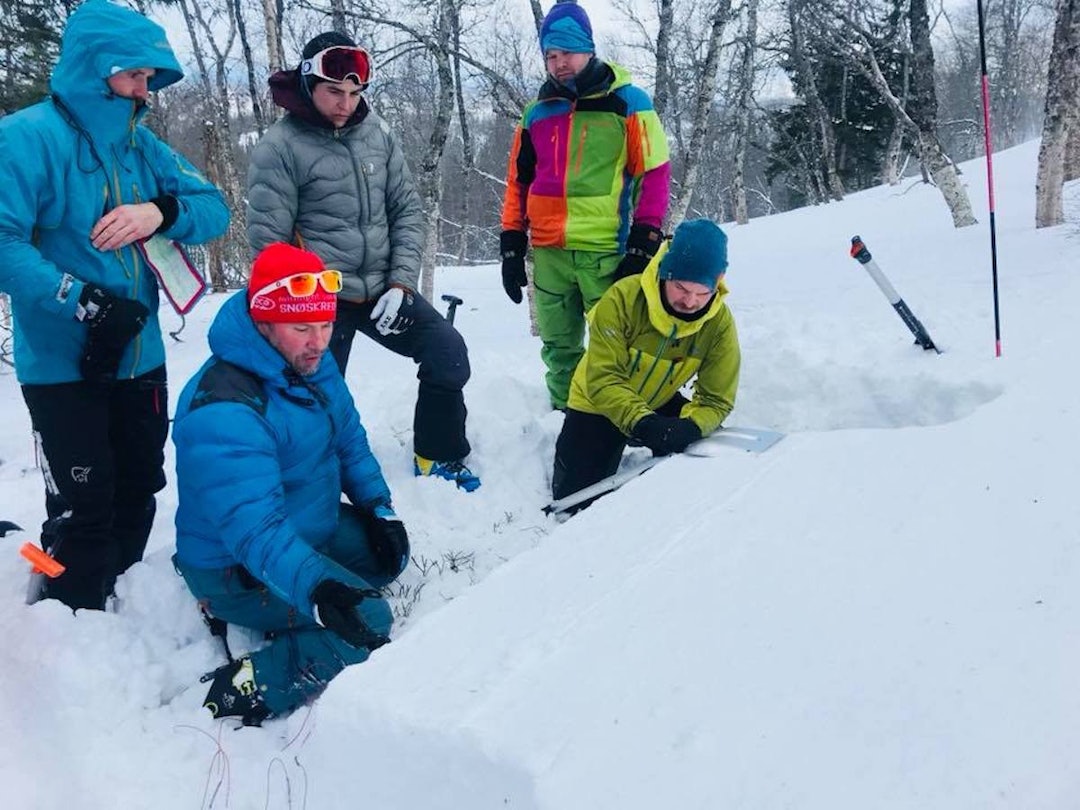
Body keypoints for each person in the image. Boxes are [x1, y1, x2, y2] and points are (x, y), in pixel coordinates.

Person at [0, 0, 230, 611]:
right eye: (133, 75)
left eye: (149, 79)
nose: (142, 90)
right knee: (83, 501)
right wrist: (82, 303)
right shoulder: (25, 139)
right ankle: (55, 595)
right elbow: (3, 240)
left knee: (138, 485)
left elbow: (214, 210)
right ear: (93, 66)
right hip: (59, 363)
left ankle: (120, 600)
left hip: (140, 354)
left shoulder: (142, 145)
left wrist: (161, 212)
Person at [172, 243, 410, 726]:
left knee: (389, 560)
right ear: (264, 325)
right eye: (302, 328)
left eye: (324, 326)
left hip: (306, 525)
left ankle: (298, 605)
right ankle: (255, 680)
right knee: (367, 624)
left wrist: (380, 510)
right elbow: (255, 532)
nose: (318, 342)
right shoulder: (224, 409)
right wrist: (317, 588)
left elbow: (348, 440)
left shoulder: (308, 364)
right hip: (234, 564)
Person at [246, 32, 480, 492]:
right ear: (308, 82)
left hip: (382, 291)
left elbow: (407, 211)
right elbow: (269, 245)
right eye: (334, 91)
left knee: (448, 354)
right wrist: (296, 309)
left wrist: (401, 283)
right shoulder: (281, 146)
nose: (345, 103)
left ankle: (437, 456)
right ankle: (309, 481)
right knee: (314, 397)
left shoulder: (377, 134)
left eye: (354, 93)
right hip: (318, 300)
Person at [500, 0, 671, 411]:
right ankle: (566, 415)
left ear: (589, 48)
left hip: (606, 252)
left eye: (567, 53)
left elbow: (654, 173)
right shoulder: (536, 113)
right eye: (551, 56)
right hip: (549, 255)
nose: (559, 64)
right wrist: (511, 242)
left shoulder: (628, 103)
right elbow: (518, 182)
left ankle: (626, 421)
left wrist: (644, 241)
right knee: (559, 347)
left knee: (618, 344)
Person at [551, 219, 741, 510]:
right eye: (680, 287)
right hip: (597, 401)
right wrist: (643, 423)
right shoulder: (623, 298)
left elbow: (716, 399)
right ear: (665, 272)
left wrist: (692, 426)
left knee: (711, 455)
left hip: (658, 399)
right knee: (575, 501)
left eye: (703, 292)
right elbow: (604, 379)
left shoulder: (719, 323)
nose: (690, 301)